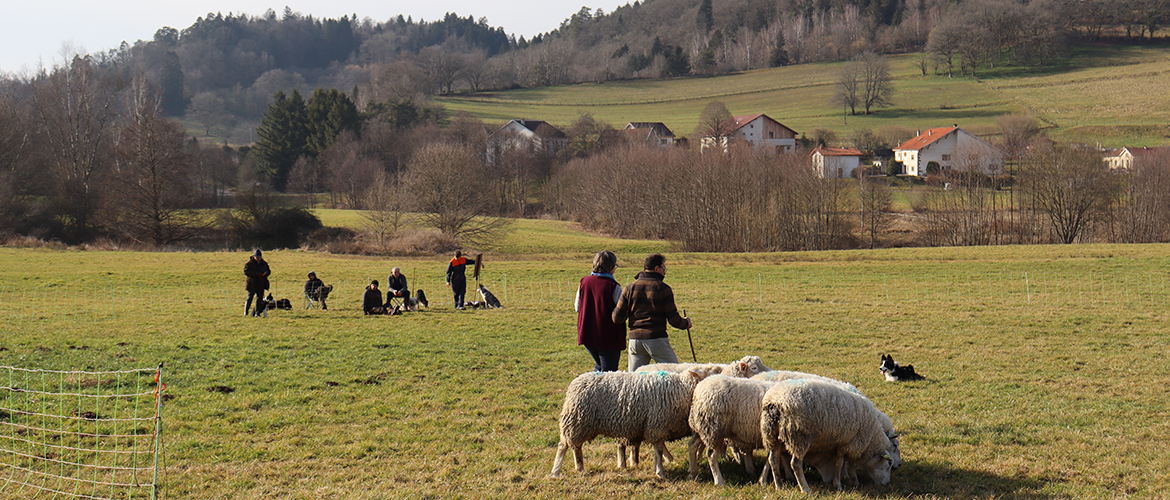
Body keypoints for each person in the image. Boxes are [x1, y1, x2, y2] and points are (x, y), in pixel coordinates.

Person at [612, 253, 691, 372]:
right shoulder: (663, 289)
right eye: (664, 269)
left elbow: (616, 317)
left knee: (634, 380)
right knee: (676, 374)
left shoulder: (629, 288)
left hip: (635, 340)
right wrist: (685, 323)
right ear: (656, 269)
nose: (664, 272)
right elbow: (673, 319)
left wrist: (631, 311)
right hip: (656, 338)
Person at [575, 250, 626, 372]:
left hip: (588, 335)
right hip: (608, 337)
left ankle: (589, 388)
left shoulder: (584, 282)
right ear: (612, 267)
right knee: (608, 372)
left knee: (600, 367)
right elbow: (622, 311)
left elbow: (577, 307)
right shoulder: (613, 286)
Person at [243, 249, 270, 317]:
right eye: (257, 257)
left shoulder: (264, 263)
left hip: (261, 284)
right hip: (252, 284)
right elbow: (246, 272)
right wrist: (257, 274)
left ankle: (257, 313)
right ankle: (246, 312)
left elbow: (269, 271)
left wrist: (266, 273)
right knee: (249, 298)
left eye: (259, 257)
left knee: (259, 299)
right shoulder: (249, 263)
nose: (258, 259)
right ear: (254, 256)